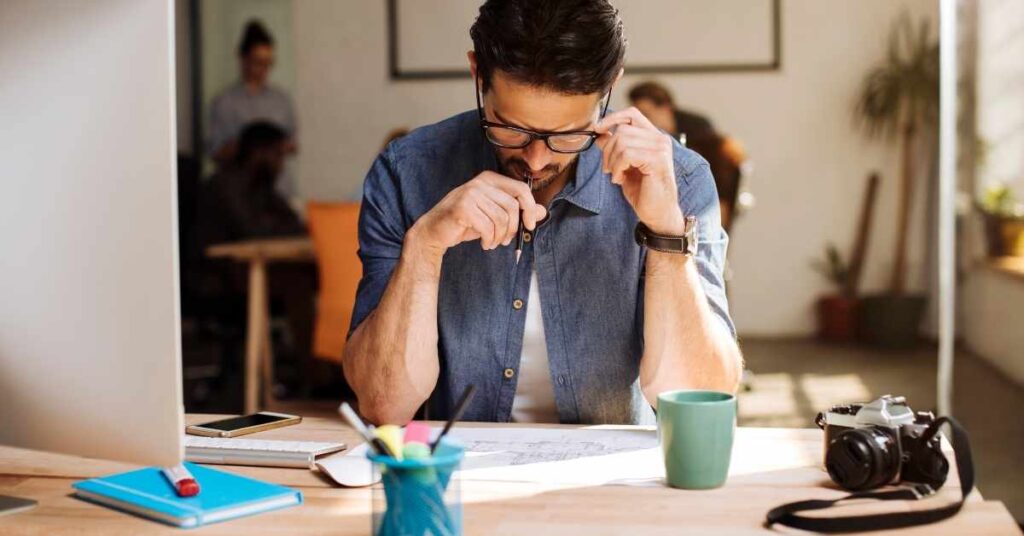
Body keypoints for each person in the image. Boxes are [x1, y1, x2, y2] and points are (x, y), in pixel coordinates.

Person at [344, 0, 742, 426]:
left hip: (616, 481)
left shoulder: (678, 179)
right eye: (511, 128)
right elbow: (383, 405)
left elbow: (703, 397)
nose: (535, 160)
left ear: (609, 88)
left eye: (568, 134)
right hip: (460, 475)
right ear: (478, 73)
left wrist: (665, 235)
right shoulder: (407, 173)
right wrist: (424, 248)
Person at [207, 20, 298, 196]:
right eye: (258, 62)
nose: (263, 69)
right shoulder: (224, 103)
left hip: (279, 191)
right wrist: (247, 147)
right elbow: (215, 152)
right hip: (240, 194)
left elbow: (293, 144)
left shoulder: (281, 100)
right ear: (243, 59)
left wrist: (275, 147)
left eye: (268, 63)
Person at [628, 81, 715, 144]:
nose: (640, 121)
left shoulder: (699, 128)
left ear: (665, 108)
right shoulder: (639, 134)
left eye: (645, 114)